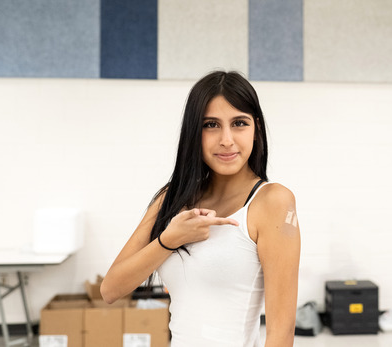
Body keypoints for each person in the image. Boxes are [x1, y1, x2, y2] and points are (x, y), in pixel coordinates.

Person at [100, 71, 300, 347]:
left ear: (257, 129)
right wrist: (171, 239)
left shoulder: (273, 201)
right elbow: (110, 289)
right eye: (211, 125)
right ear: (194, 132)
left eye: (239, 123)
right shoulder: (172, 198)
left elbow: (281, 332)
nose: (226, 139)